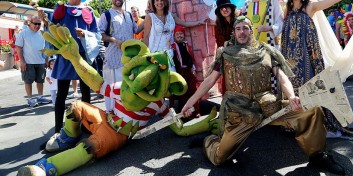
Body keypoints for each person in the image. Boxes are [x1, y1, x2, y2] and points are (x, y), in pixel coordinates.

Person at [17, 26, 217, 176]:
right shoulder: (122, 87)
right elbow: (97, 82)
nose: (140, 83)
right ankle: (68, 135)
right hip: (104, 119)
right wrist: (75, 58)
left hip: (118, 135)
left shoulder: (156, 104)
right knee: (76, 106)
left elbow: (179, 127)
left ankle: (47, 168)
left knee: (88, 147)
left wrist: (206, 122)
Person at [181, 16, 345, 175]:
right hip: (240, 112)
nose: (242, 32)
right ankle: (209, 141)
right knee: (219, 158)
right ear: (234, 33)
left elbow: (281, 76)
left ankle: (318, 155)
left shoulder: (265, 51)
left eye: (245, 28)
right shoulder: (225, 54)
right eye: (238, 29)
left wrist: (292, 96)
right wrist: (190, 102)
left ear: (251, 31)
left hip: (268, 106)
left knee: (312, 110)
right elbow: (209, 80)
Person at [281, 0, 353, 92]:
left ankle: (313, 110)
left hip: (306, 54)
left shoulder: (310, 7)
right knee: (290, 83)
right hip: (289, 54)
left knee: (308, 85)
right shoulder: (288, 9)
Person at [38, 0, 101, 133]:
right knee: (61, 95)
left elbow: (97, 34)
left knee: (86, 94)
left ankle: (87, 127)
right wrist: (43, 20)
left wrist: (85, 34)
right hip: (65, 57)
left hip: (83, 58)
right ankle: (58, 130)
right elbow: (51, 30)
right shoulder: (59, 8)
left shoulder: (89, 11)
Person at [98, 0, 143, 113]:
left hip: (128, 58)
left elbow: (136, 30)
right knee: (112, 87)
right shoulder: (106, 15)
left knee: (126, 85)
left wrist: (148, 17)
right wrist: (115, 40)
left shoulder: (128, 15)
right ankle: (110, 113)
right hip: (113, 58)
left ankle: (124, 112)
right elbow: (100, 34)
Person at [143, 0, 205, 68]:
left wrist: (199, 22)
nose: (160, 2)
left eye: (162, 0)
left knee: (172, 76)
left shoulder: (171, 15)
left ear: (165, 1)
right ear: (154, 3)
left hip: (170, 52)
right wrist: (145, 54)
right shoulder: (150, 17)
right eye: (157, 0)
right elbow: (146, 37)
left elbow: (184, 23)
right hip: (154, 53)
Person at [15, 16, 51, 107]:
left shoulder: (43, 33)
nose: (37, 26)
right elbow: (18, 48)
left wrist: (46, 60)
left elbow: (45, 47)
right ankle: (30, 99)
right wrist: (22, 61)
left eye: (39, 24)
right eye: (35, 23)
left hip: (41, 62)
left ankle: (40, 97)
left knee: (40, 81)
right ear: (29, 23)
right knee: (28, 81)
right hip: (28, 62)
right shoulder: (23, 33)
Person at [171, 25, 199, 117]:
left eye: (181, 34)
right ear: (174, 36)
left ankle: (195, 111)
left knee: (192, 91)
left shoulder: (186, 45)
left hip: (188, 71)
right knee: (181, 92)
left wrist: (192, 68)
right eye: (177, 34)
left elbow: (190, 58)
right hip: (179, 72)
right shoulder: (172, 47)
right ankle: (181, 113)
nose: (179, 36)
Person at [213, 0, 236, 96]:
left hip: (240, 55)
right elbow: (220, 43)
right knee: (227, 82)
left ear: (231, 8)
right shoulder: (218, 25)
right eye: (222, 8)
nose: (224, 10)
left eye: (226, 7)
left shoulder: (238, 21)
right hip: (226, 57)